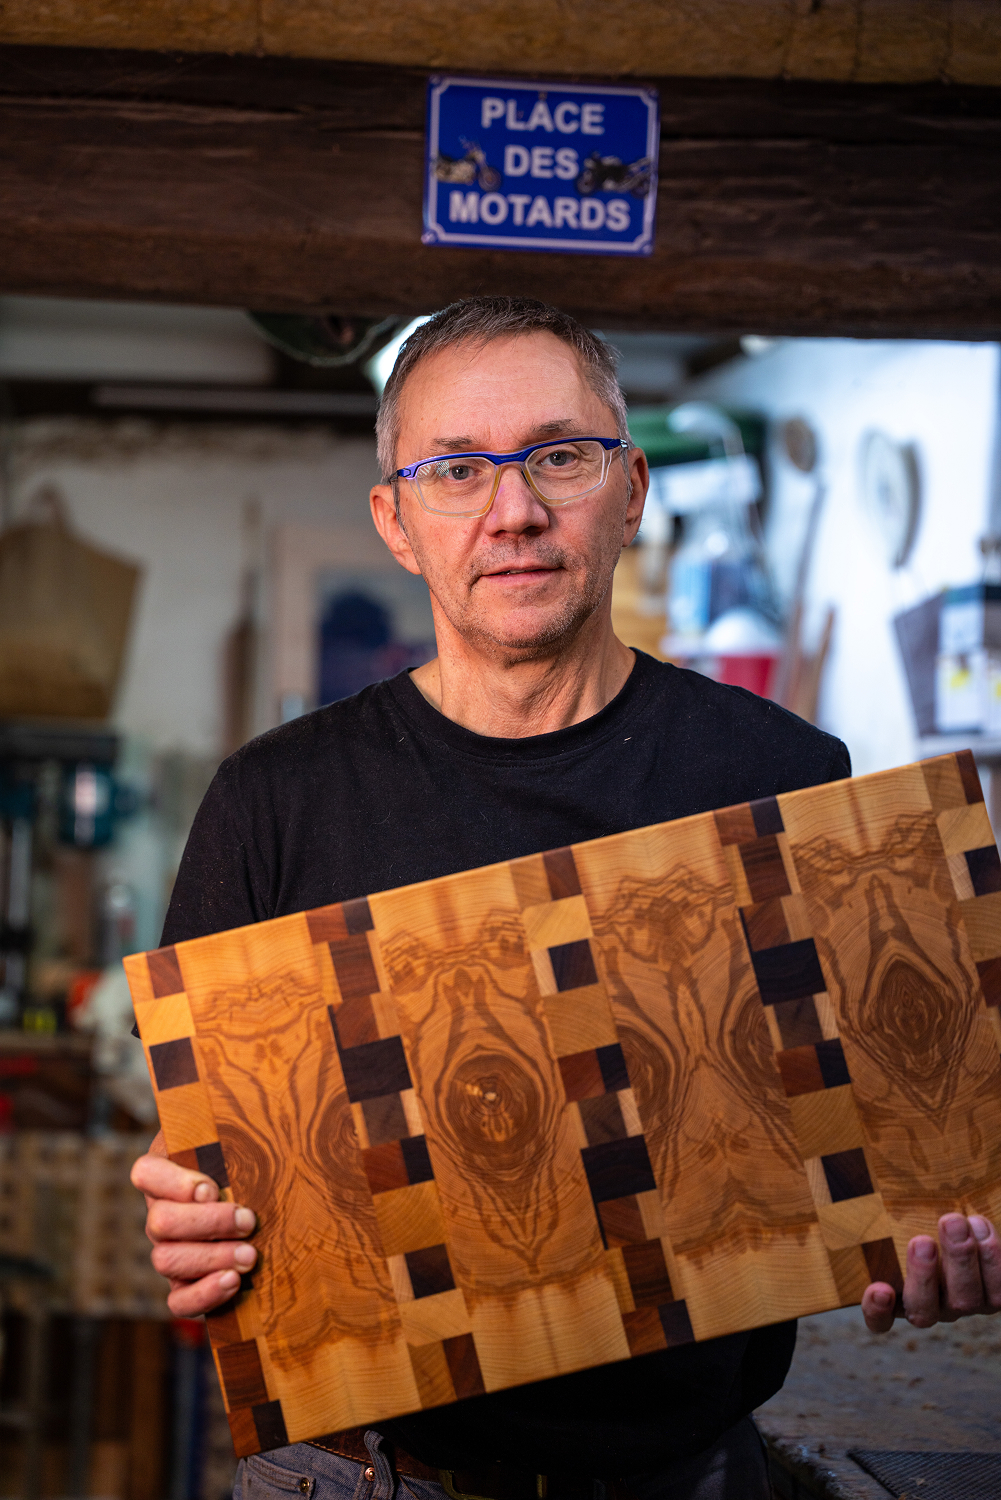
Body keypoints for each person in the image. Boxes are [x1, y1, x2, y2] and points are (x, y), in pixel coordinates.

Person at [132, 298, 1001, 1500]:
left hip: (689, 1473)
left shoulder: (781, 782)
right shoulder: (271, 804)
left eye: (558, 455)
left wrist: (938, 1239)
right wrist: (188, 1217)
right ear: (393, 519)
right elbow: (209, 1159)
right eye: (453, 469)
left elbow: (899, 1148)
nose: (513, 510)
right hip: (358, 1473)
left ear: (631, 488)